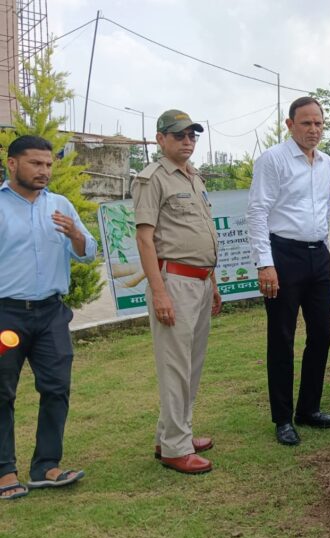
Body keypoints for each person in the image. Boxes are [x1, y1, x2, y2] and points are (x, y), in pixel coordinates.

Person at [0, 135, 95, 498]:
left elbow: (87, 253)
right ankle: (4, 472)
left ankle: (46, 466)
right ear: (13, 164)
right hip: (5, 314)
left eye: (49, 165)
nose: (44, 171)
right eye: (36, 164)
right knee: (1, 393)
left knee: (57, 389)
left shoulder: (60, 204)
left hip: (52, 313)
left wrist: (75, 235)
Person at [247, 97, 330, 447]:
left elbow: (324, 211)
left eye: (319, 123)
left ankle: (309, 409)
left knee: (321, 335)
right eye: (306, 123)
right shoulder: (273, 160)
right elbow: (257, 211)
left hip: (319, 256)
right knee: (282, 339)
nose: (313, 130)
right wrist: (265, 263)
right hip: (283, 256)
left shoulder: (328, 162)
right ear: (290, 125)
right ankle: (283, 418)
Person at [134, 110, 221, 475]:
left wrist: (213, 283)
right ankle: (175, 448)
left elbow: (202, 233)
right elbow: (144, 238)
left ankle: (173, 434)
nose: (187, 141)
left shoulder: (194, 176)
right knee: (175, 367)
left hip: (200, 281)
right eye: (179, 135)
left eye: (192, 135)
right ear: (160, 139)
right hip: (175, 282)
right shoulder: (152, 179)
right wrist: (160, 294)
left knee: (191, 364)